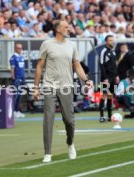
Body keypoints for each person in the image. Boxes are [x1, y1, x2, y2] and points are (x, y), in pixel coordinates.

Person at [34, 20, 92, 163]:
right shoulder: (47, 44)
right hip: (49, 86)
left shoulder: (72, 45)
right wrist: (36, 88)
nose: (69, 28)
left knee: (69, 119)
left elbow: (77, 65)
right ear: (58, 29)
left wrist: (86, 79)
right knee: (48, 119)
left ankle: (70, 144)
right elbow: (39, 67)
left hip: (66, 86)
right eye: (66, 27)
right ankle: (47, 153)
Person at [99, 35, 119, 123]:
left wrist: (116, 75)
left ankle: (109, 116)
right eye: (110, 40)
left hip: (113, 77)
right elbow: (102, 65)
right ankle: (102, 116)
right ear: (106, 41)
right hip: (106, 77)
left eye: (113, 40)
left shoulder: (113, 52)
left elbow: (115, 65)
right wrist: (105, 78)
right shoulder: (103, 51)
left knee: (111, 95)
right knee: (104, 95)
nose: (112, 42)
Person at [10, 43, 26, 118]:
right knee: (15, 95)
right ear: (15, 49)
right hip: (17, 78)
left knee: (20, 95)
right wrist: (13, 76)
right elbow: (12, 68)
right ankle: (13, 111)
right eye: (18, 48)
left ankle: (17, 110)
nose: (20, 50)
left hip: (22, 78)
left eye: (21, 48)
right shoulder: (13, 58)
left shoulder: (21, 57)